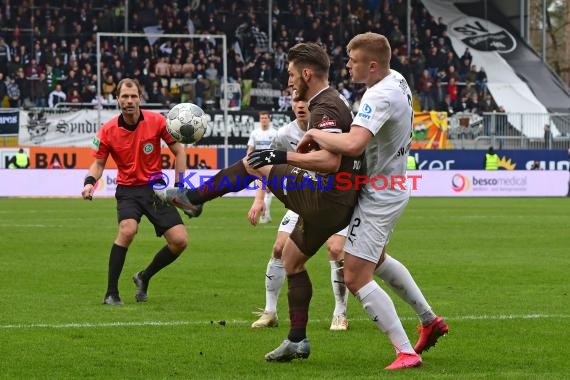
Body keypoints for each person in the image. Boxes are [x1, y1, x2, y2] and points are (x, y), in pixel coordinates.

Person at [156, 42, 363, 361]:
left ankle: (194, 198)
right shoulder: (327, 103)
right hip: (333, 207)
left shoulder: (326, 105)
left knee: (256, 160)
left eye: (293, 74)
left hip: (324, 197)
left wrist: (283, 157)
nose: (290, 81)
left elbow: (331, 161)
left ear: (308, 73)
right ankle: (297, 341)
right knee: (292, 261)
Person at [297, 33, 448, 370]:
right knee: (376, 259)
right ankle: (429, 320)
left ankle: (406, 352)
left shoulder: (379, 95)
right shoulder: (396, 79)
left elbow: (352, 144)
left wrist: (313, 133)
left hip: (380, 192)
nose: (347, 66)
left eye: (353, 61)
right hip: (387, 184)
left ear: (373, 65)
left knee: (354, 276)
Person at [81, 78, 189, 305]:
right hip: (128, 190)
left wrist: (180, 188)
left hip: (155, 189)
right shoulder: (107, 130)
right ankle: (111, 293)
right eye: (124, 96)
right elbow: (99, 164)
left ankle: (144, 276)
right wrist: (90, 182)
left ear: (140, 98)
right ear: (117, 99)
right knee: (127, 230)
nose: (129, 101)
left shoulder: (157, 121)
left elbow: (179, 152)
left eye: (133, 96)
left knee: (180, 241)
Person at [248, 94, 349, 331]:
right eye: (296, 101)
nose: (301, 105)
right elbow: (267, 167)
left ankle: (340, 313)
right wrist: (259, 199)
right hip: (302, 199)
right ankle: (270, 312)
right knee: (278, 248)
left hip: (334, 199)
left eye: (305, 101)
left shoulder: (332, 126)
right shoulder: (284, 135)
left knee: (335, 249)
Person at [247, 110, 278, 224]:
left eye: (265, 118)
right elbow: (250, 148)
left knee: (268, 189)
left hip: (271, 164)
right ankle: (265, 215)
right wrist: (248, 161)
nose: (264, 120)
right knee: (265, 190)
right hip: (259, 165)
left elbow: (278, 149)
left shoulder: (275, 133)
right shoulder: (255, 133)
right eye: (262, 118)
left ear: (269, 119)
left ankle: (265, 215)